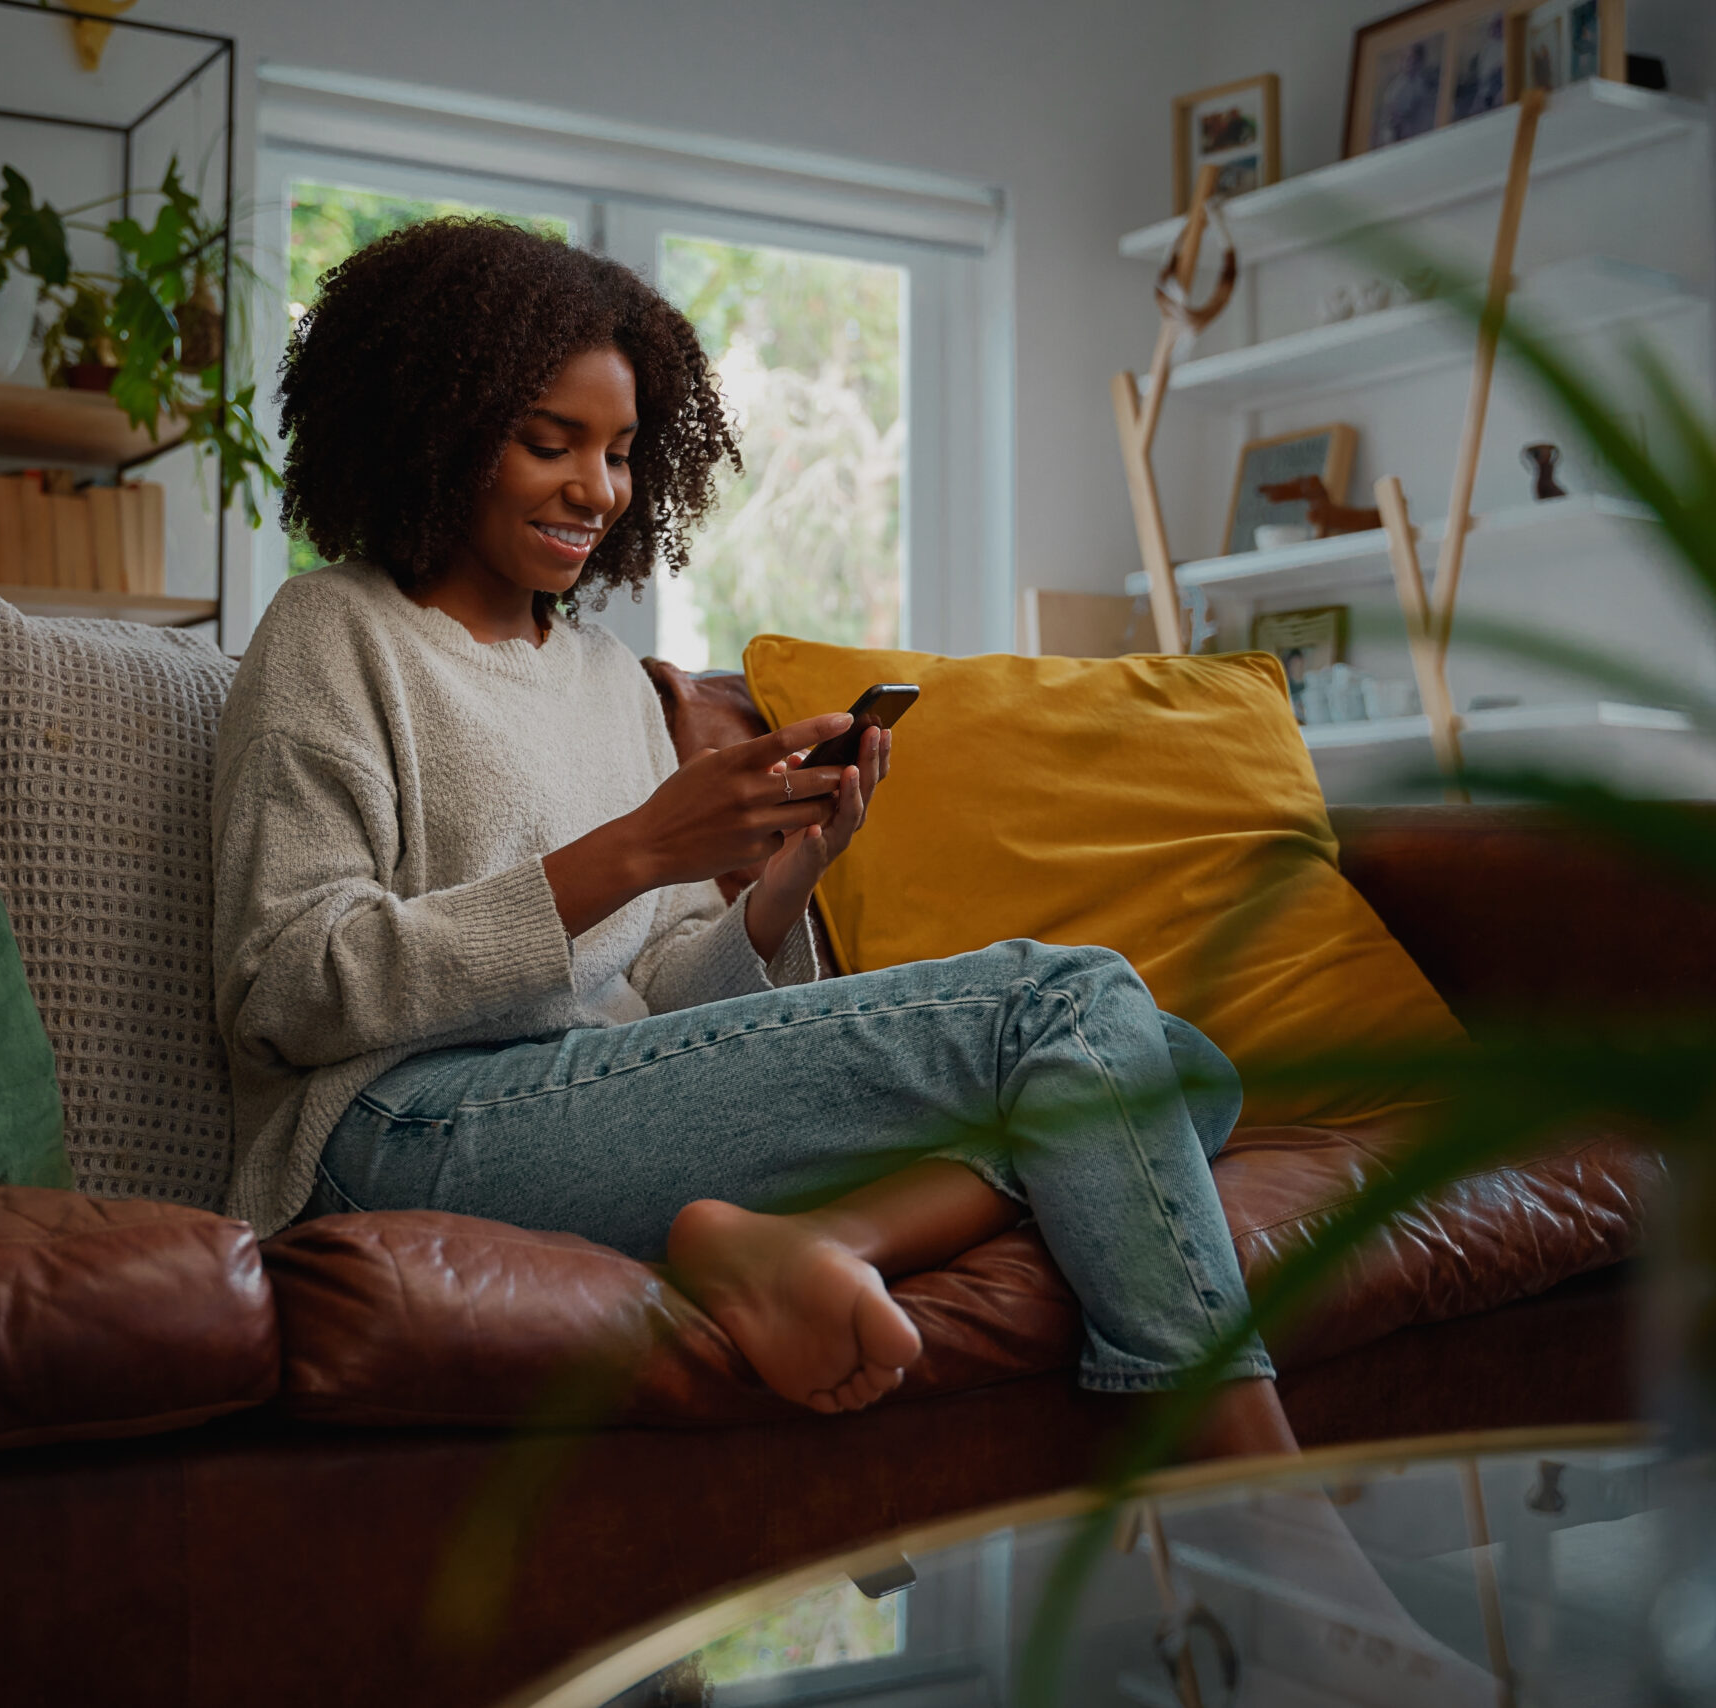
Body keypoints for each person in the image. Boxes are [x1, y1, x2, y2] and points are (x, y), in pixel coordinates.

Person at [209, 217, 1295, 1452]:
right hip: (396, 1129)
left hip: (587, 1105)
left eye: (620, 453)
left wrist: (783, 881)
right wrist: (632, 850)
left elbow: (666, 993)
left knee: (1174, 1063)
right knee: (1072, 1009)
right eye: (548, 444)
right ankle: (1251, 1498)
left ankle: (816, 1244)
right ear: (435, 427)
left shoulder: (606, 677)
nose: (596, 490)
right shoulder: (332, 632)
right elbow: (283, 987)